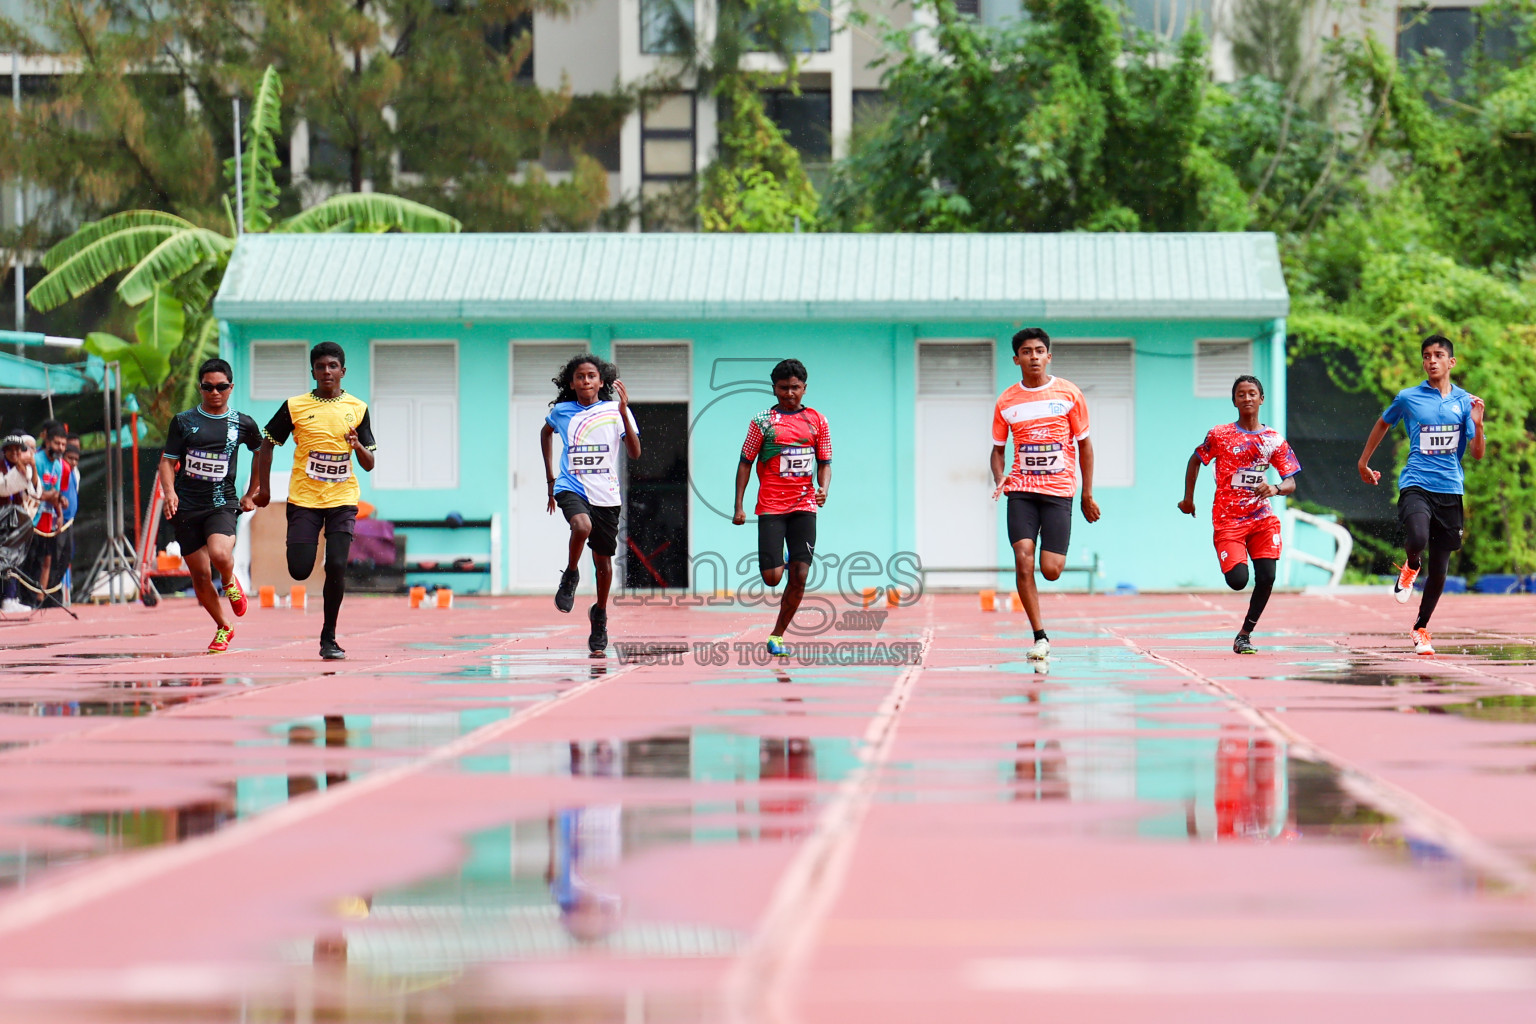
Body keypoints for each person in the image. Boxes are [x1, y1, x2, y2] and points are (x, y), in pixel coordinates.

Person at [1357, 334, 1484, 656]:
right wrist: (1363, 462)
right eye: (1426, 355)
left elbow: (1478, 454)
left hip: (1450, 489)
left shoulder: (1465, 402)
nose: (1431, 360)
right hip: (1416, 482)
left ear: (1451, 362)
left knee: (1440, 567)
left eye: (1438, 355)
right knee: (1417, 537)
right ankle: (1411, 564)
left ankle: (1421, 627)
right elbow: (1383, 423)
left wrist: (1479, 426)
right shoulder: (1408, 398)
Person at [256, 342, 377, 661]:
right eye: (321, 366)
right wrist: (264, 490)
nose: (327, 371)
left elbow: (369, 463)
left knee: (336, 565)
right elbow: (265, 445)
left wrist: (356, 445)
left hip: (342, 499)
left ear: (343, 371)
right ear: (312, 372)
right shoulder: (294, 406)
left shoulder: (358, 408)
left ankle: (329, 638)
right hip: (305, 499)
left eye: (333, 366)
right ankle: (302, 547)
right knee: (299, 570)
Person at [990, 328, 1100, 660]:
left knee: (1051, 570)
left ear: (1048, 356)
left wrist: (1087, 494)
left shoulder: (1069, 394)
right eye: (1026, 352)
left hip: (1059, 492)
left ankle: (1042, 617)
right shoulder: (1007, 401)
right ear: (1016, 359)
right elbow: (997, 451)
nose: (1033, 356)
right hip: (1021, 491)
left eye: (1039, 351)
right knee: (1023, 560)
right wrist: (1000, 478)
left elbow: (1085, 447)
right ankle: (1040, 636)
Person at [1178, 375, 1301, 654]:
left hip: (1261, 518)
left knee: (1267, 576)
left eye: (1252, 393)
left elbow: (1291, 481)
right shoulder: (1220, 435)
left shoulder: (1273, 440)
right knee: (1238, 581)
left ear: (1262, 399)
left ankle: (1244, 634)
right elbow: (1195, 460)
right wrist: (1188, 499)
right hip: (1228, 519)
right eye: (1241, 394)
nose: (1247, 398)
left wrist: (1275, 487)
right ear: (1234, 400)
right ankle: (1232, 560)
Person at [160, 358, 264, 653]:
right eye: (208, 387)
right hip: (187, 506)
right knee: (201, 575)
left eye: (220, 387)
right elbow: (167, 462)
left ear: (231, 388)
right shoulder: (183, 422)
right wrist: (170, 493)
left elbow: (260, 454)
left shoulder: (242, 424)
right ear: (200, 388)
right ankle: (224, 626)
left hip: (221, 502)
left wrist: (252, 493)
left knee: (220, 553)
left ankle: (230, 582)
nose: (214, 392)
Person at [732, 358, 833, 657]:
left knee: (801, 575)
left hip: (804, 504)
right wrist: (739, 505)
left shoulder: (817, 420)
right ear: (774, 389)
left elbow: (825, 462)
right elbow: (745, 463)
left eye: (795, 388)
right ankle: (783, 557)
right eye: (783, 388)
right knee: (773, 578)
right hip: (772, 506)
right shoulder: (762, 421)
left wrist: (823, 488)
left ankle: (778, 634)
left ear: (804, 388)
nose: (789, 394)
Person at [541, 354, 640, 654]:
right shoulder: (561, 412)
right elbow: (545, 434)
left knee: (603, 562)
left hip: (606, 495)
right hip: (571, 486)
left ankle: (600, 615)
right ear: (571, 383)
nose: (586, 381)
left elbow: (634, 453)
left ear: (602, 381)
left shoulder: (615, 410)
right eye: (580, 376)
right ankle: (571, 574)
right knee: (580, 525)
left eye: (592, 376)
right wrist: (550, 479)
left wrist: (623, 413)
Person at [31, 428, 73, 609]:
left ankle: (39, 601)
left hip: (48, 518)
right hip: (33, 518)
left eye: (63, 444)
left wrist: (60, 514)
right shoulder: (36, 461)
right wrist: (48, 495)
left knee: (47, 560)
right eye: (57, 443)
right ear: (47, 441)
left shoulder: (59, 465)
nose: (60, 447)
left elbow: (55, 493)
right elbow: (32, 491)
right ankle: (25, 598)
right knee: (32, 559)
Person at [0, 436, 39, 614]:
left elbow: (35, 492)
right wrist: (18, 470)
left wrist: (33, 468)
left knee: (12, 560)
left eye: (19, 449)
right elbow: (4, 487)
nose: (15, 453)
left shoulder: (23, 468)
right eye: (12, 449)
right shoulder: (3, 467)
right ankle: (7, 598)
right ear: (5, 451)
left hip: (12, 523)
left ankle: (11, 597)